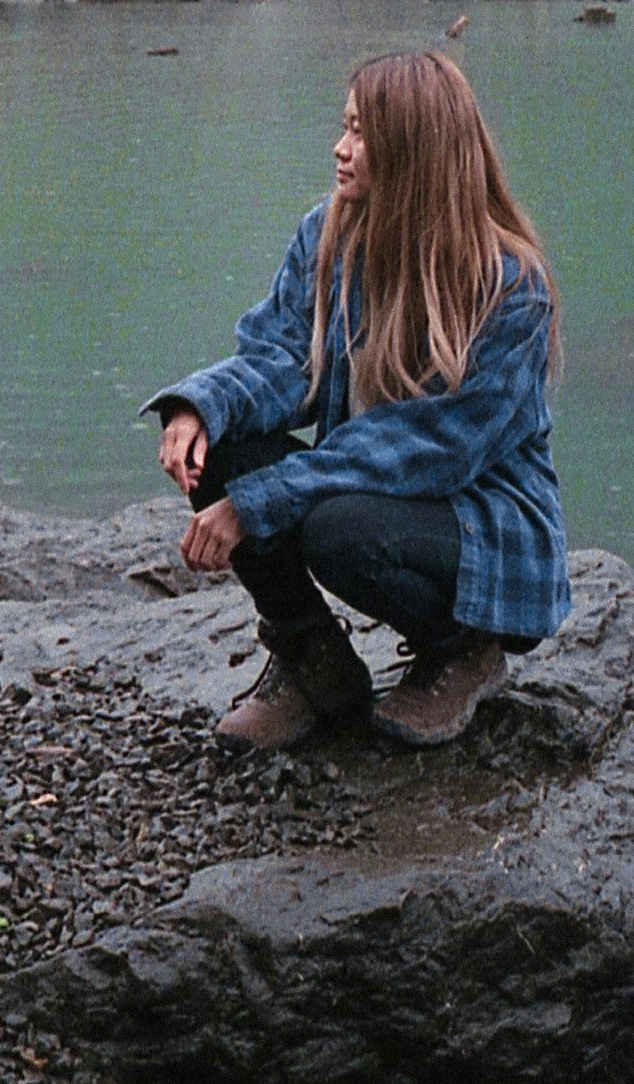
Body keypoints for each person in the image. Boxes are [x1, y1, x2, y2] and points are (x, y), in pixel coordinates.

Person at [147, 48, 569, 753]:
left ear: (414, 149)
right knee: (221, 451)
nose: (340, 149)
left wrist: (261, 500)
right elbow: (283, 358)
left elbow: (429, 448)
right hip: (375, 486)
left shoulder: (510, 285)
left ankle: (462, 648)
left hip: (480, 525)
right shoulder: (332, 231)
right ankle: (317, 664)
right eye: (344, 126)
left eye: (361, 133)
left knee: (338, 530)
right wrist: (200, 406)